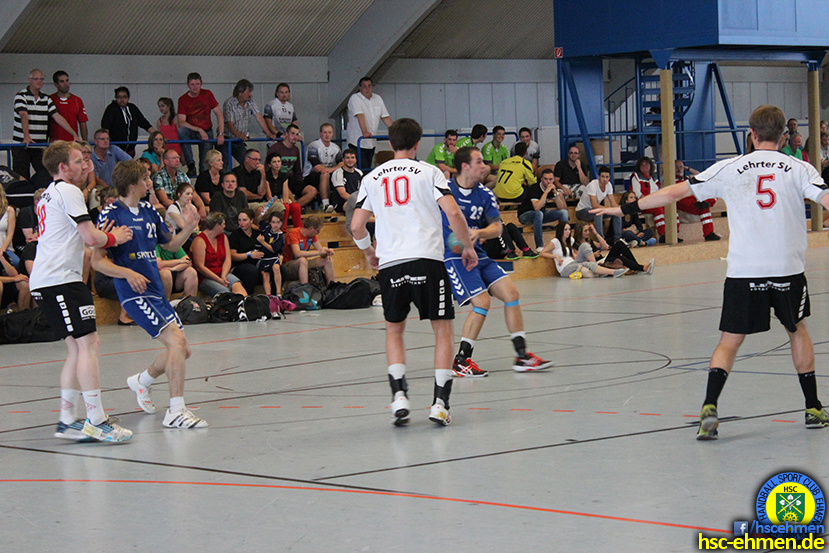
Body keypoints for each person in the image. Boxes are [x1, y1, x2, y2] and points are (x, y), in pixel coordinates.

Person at [592, 104, 829, 439]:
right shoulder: (800, 168)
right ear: (783, 135)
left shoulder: (730, 167)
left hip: (744, 269)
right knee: (797, 330)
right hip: (787, 268)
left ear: (751, 134)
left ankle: (709, 406)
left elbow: (674, 192)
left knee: (729, 340)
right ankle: (813, 408)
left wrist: (624, 208)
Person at [351, 117, 478, 427]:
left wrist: (368, 251)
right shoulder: (430, 172)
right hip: (427, 260)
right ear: (418, 143)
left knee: (394, 329)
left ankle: (399, 397)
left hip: (391, 263)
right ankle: (440, 404)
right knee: (442, 329)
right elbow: (453, 212)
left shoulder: (372, 177)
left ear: (390, 143)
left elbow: (356, 226)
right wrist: (467, 246)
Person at [29, 141, 133, 443]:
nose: (85, 165)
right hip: (60, 279)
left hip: (49, 279)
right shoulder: (69, 191)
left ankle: (66, 420)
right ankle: (96, 420)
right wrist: (115, 237)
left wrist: (102, 234)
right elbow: (90, 237)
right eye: (78, 161)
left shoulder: (49, 193)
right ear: (63, 167)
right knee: (89, 344)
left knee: (77, 348)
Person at [93, 160, 207, 429]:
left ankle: (142, 381)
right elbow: (97, 261)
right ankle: (175, 411)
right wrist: (127, 273)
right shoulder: (111, 214)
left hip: (155, 289)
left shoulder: (149, 211)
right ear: (132, 184)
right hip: (134, 293)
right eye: (145, 179)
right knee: (176, 344)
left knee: (183, 350)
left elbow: (171, 244)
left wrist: (189, 227)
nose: (150, 183)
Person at [444, 147, 553, 378]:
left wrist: (479, 232)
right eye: (479, 161)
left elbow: (497, 228)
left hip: (479, 254)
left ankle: (521, 355)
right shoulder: (445, 191)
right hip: (455, 257)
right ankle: (461, 360)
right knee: (482, 302)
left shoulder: (485, 194)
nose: (484, 166)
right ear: (465, 166)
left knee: (511, 294)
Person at [12, 69, 79, 179]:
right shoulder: (21, 96)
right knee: (22, 176)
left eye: (41, 79)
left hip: (39, 145)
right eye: (36, 79)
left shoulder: (46, 99)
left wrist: (74, 134)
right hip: (22, 145)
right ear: (30, 80)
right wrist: (26, 136)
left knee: (45, 175)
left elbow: (57, 117)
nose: (39, 81)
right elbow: (23, 115)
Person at [539, 222, 627, 279]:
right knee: (586, 264)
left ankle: (595, 266)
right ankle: (613, 272)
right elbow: (542, 253)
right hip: (565, 269)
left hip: (573, 262)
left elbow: (572, 253)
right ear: (560, 231)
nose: (568, 232)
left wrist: (574, 254)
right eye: (565, 230)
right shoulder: (555, 242)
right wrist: (555, 256)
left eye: (569, 229)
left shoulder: (571, 241)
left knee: (584, 245)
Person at [177, 72, 225, 174]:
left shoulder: (207, 94)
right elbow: (181, 122)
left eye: (197, 84)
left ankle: (203, 178)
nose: (195, 87)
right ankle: (190, 164)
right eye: (192, 85)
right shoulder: (183, 99)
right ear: (187, 85)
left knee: (205, 165)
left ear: (201, 84)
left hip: (207, 130)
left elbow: (219, 114)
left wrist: (221, 133)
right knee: (181, 131)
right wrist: (199, 129)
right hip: (192, 130)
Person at [190, 212, 247, 296]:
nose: (224, 226)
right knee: (224, 291)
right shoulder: (200, 241)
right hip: (205, 277)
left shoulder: (223, 237)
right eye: (223, 224)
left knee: (236, 284)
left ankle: (245, 302)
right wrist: (219, 280)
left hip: (221, 272)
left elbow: (227, 259)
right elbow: (200, 267)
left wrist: (223, 276)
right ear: (217, 225)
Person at [223, 79, 276, 169]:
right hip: (227, 139)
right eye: (248, 92)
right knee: (224, 166)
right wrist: (240, 135)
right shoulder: (229, 103)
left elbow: (258, 117)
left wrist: (268, 133)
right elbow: (229, 124)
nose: (250, 94)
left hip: (239, 141)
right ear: (240, 92)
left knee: (248, 164)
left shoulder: (250, 101)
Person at [517, 167, 569, 251]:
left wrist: (555, 193)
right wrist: (546, 192)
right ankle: (539, 246)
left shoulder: (552, 188)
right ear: (541, 179)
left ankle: (564, 242)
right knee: (539, 213)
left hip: (541, 215)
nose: (548, 182)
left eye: (550, 179)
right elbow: (536, 207)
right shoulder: (534, 188)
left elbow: (561, 207)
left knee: (563, 213)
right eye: (545, 179)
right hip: (525, 215)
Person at [629, 156, 680, 243]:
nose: (645, 166)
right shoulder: (636, 177)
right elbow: (637, 193)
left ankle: (674, 234)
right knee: (658, 210)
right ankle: (663, 235)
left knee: (672, 208)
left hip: (656, 201)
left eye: (647, 164)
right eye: (642, 165)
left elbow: (659, 191)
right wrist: (649, 200)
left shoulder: (654, 178)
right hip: (643, 203)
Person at [347, 76, 393, 169]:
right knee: (363, 169)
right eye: (364, 86)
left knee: (368, 167)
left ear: (372, 87)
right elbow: (360, 116)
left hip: (371, 142)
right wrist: (365, 131)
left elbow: (385, 117)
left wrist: (397, 130)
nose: (367, 89)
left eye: (369, 86)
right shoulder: (355, 98)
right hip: (357, 142)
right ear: (360, 88)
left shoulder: (378, 98)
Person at [578, 222, 654, 275]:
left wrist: (595, 233)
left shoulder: (590, 241)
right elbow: (578, 260)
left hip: (603, 259)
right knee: (620, 258)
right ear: (580, 232)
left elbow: (605, 246)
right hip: (598, 264)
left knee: (620, 244)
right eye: (585, 231)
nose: (588, 232)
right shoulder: (577, 244)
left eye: (588, 230)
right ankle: (643, 268)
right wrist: (592, 255)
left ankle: (637, 266)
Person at [100, 87, 156, 156]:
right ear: (116, 98)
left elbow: (145, 123)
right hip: (115, 150)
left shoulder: (133, 108)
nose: (122, 99)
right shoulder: (111, 109)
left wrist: (157, 135)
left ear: (128, 98)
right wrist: (105, 142)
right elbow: (105, 127)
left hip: (130, 150)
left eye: (124, 97)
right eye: (119, 97)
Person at [267, 125, 314, 207]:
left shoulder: (296, 149)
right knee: (285, 187)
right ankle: (294, 207)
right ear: (286, 134)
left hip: (291, 179)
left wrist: (300, 182)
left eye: (297, 134)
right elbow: (267, 166)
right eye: (292, 133)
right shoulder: (275, 147)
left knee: (312, 190)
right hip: (277, 179)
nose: (295, 137)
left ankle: (295, 207)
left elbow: (297, 169)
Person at [675, 160, 721, 241]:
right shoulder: (670, 181)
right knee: (682, 199)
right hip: (683, 201)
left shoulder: (687, 178)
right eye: (676, 167)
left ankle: (709, 234)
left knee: (708, 200)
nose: (679, 169)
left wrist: (688, 168)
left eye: (681, 167)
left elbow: (701, 176)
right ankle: (674, 235)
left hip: (694, 200)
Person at [281, 216, 334, 286]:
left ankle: (331, 286)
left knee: (327, 260)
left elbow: (321, 251)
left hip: (303, 265)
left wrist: (327, 252)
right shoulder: (294, 233)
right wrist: (318, 252)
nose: (318, 233)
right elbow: (297, 253)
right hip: (288, 265)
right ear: (311, 228)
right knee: (302, 260)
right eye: (318, 231)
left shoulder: (312, 236)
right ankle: (305, 287)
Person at [153, 149, 206, 218]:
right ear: (166, 161)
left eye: (178, 158)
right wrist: (181, 207)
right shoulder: (159, 176)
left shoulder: (183, 176)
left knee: (206, 211)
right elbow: (164, 200)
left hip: (184, 207)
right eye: (174, 158)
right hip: (168, 209)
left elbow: (194, 195)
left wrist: (202, 207)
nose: (178, 160)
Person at [575, 165, 622, 241]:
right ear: (598, 177)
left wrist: (619, 209)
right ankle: (601, 239)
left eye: (607, 177)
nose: (605, 179)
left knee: (616, 212)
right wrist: (609, 209)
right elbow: (594, 206)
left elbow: (613, 203)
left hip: (594, 211)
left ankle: (618, 239)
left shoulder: (609, 185)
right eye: (603, 177)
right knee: (598, 212)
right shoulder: (593, 185)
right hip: (582, 211)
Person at [228, 208, 264, 294]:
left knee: (278, 269)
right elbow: (232, 256)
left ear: (251, 220)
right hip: (240, 265)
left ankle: (275, 296)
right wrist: (249, 254)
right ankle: (248, 296)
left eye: (244, 220)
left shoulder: (257, 234)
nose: (241, 223)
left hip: (258, 264)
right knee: (251, 270)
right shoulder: (235, 236)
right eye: (239, 220)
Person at [264, 152, 303, 230]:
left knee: (296, 206)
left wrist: (285, 201)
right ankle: (282, 229)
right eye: (274, 162)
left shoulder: (284, 176)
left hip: (280, 200)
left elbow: (286, 194)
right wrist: (279, 202)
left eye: (279, 161)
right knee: (284, 207)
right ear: (269, 165)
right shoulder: (266, 176)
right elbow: (269, 196)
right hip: (269, 202)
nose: (277, 164)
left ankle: (298, 229)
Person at [49, 71, 88, 143]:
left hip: (73, 142)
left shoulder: (77, 100)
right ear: (56, 84)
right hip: (55, 144)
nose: (66, 84)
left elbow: (82, 123)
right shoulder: (50, 99)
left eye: (67, 80)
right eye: (62, 81)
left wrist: (85, 142)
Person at [257, 211, 284, 296]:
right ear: (270, 222)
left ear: (282, 223)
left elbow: (274, 250)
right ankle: (268, 296)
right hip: (264, 258)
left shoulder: (280, 236)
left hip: (273, 257)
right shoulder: (267, 228)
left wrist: (262, 242)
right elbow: (258, 220)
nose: (275, 225)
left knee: (276, 268)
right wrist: (263, 213)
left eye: (278, 222)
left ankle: (278, 293)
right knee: (265, 276)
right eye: (273, 222)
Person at [330, 148, 363, 213]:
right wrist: (357, 201)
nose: (350, 160)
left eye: (352, 158)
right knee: (355, 207)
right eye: (347, 158)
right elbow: (343, 194)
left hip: (356, 201)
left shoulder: (359, 172)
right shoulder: (338, 173)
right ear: (343, 160)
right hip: (341, 203)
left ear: (356, 160)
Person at [0, 186, 19, 267]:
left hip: (5, 248)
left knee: (16, 262)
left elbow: (10, 234)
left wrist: (2, 250)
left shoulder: (9, 210)